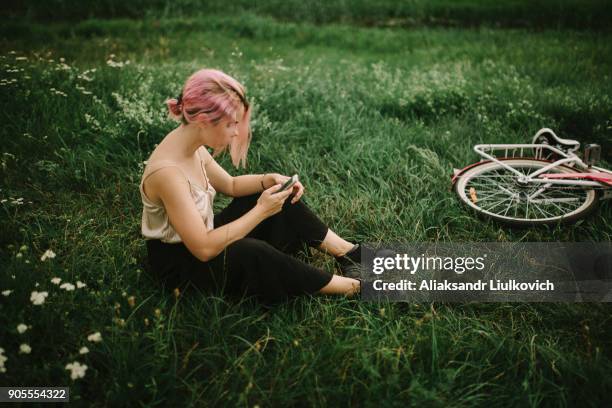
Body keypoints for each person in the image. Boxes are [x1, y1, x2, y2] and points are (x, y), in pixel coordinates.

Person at [139, 68, 370, 304]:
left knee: (273, 194)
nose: (236, 132)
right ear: (203, 121)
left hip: (201, 236)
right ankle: (356, 287)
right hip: (183, 266)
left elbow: (230, 184)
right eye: (231, 124)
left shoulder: (191, 145)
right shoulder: (168, 174)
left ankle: (348, 254)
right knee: (252, 252)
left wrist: (268, 180)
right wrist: (261, 211)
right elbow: (204, 249)